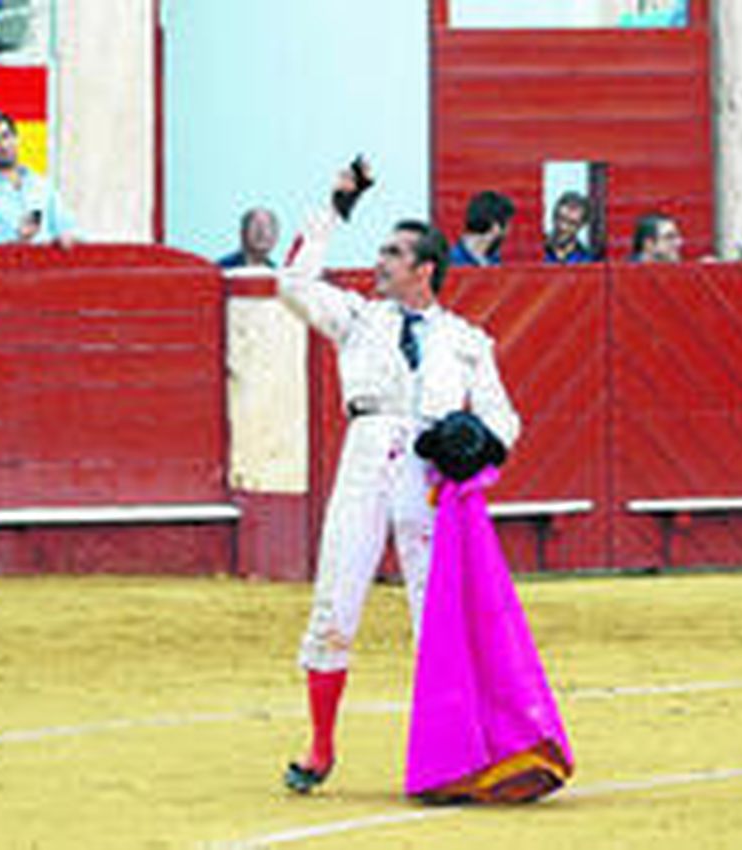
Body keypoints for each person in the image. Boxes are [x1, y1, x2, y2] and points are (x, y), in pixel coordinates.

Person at [277, 160, 521, 795]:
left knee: (434, 617)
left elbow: (506, 420)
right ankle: (321, 745)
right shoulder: (357, 318)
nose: (379, 261)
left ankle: (451, 754)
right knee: (336, 600)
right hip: (366, 454)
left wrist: (477, 444)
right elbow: (292, 282)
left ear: (424, 270)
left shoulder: (468, 341)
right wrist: (335, 207)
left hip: (430, 474)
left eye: (393, 253)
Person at [0, 110, 79, 246]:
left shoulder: (41, 185)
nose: (3, 146)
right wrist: (16, 239)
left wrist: (66, 237)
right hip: (2, 264)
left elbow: (67, 228)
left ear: (16, 138)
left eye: (6, 136)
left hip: (44, 264)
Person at [449, 190, 514, 267]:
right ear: (495, 227)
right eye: (506, 222)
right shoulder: (453, 261)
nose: (509, 229)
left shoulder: (493, 257)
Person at [543, 190, 599, 264]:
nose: (563, 228)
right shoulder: (536, 249)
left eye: (572, 223)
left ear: (581, 225)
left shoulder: (586, 259)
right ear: (554, 215)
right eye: (562, 219)